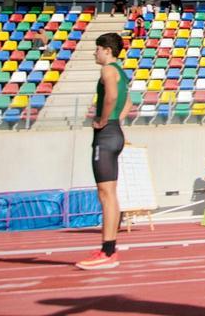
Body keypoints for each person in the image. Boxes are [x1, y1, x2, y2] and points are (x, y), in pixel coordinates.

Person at [76, 33, 130, 271]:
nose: (95, 53)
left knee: (105, 194)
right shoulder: (122, 72)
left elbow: (113, 96)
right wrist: (116, 121)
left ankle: (108, 250)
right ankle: (108, 248)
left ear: (107, 50)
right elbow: (129, 102)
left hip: (107, 134)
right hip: (115, 132)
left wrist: (103, 120)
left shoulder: (108, 70)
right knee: (109, 194)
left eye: (97, 49)